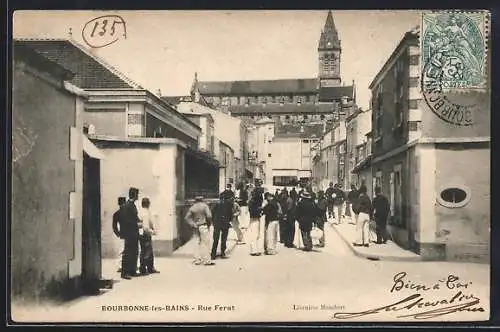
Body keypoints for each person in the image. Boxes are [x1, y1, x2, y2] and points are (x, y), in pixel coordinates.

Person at [184, 195, 215, 266]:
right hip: (203, 225)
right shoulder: (204, 206)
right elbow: (209, 216)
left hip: (195, 226)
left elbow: (186, 218)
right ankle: (207, 260)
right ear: (202, 199)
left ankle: (197, 259)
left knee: (196, 243)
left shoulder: (193, 207)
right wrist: (209, 224)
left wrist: (192, 224)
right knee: (206, 243)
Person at [120, 187, 141, 279]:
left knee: (134, 252)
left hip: (134, 232)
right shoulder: (127, 206)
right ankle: (125, 272)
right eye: (137, 194)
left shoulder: (132, 205)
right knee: (128, 252)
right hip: (129, 233)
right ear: (134, 195)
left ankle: (132, 270)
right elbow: (127, 220)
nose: (138, 196)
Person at [138, 197, 159, 275]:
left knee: (145, 251)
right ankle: (144, 269)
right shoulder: (146, 213)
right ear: (148, 204)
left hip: (141, 234)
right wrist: (152, 232)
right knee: (147, 251)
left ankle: (148, 268)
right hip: (145, 234)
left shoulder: (140, 211)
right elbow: (146, 227)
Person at [211, 192, 234, 260]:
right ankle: (222, 253)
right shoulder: (229, 204)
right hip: (225, 223)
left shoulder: (216, 204)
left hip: (217, 223)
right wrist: (229, 221)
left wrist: (213, 221)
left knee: (215, 239)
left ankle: (213, 254)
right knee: (223, 239)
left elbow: (211, 213)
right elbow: (230, 214)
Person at [248, 182, 265, 256]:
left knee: (254, 234)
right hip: (255, 218)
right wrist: (261, 209)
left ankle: (253, 250)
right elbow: (256, 210)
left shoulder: (251, 201)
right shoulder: (254, 202)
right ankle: (254, 250)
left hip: (253, 218)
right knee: (255, 235)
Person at [112, 196, 127, 273]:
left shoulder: (117, 213)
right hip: (125, 234)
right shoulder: (126, 213)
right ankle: (122, 266)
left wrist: (117, 233)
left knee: (122, 250)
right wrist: (118, 233)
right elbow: (114, 226)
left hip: (122, 234)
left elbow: (114, 226)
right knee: (123, 250)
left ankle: (121, 266)